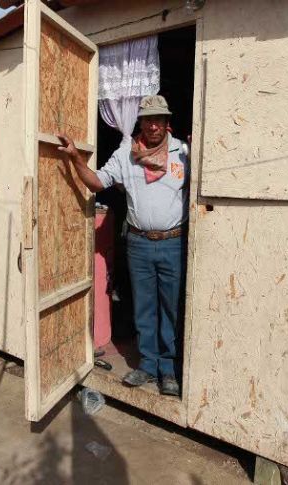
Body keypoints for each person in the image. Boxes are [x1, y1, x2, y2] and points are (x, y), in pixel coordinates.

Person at [57, 95, 188, 396]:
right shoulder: (125, 154)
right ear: (140, 123)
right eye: (148, 119)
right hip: (139, 245)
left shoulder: (183, 152)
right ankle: (147, 365)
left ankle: (168, 369)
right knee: (144, 307)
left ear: (167, 122)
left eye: (159, 119)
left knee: (169, 308)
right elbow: (97, 182)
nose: (154, 125)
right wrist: (75, 157)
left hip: (173, 244)